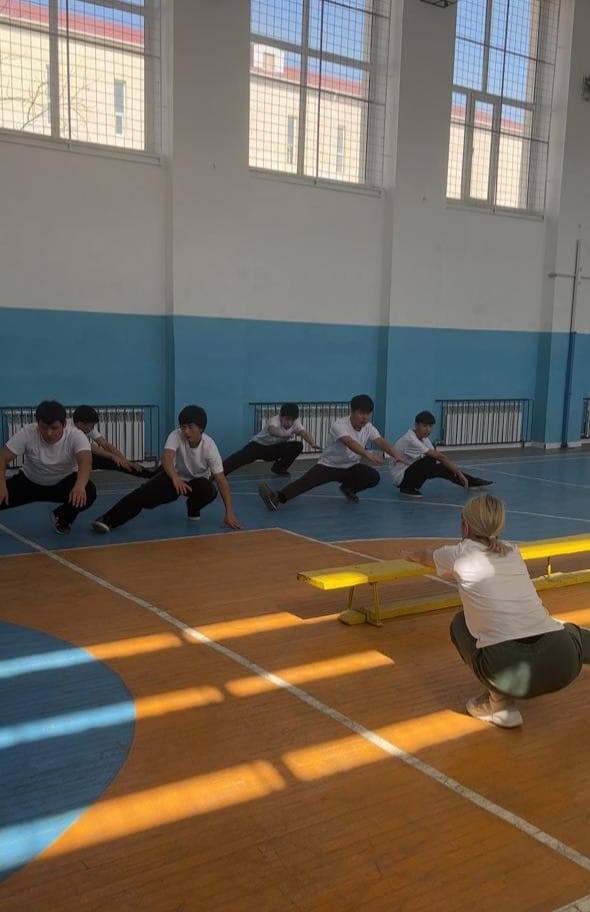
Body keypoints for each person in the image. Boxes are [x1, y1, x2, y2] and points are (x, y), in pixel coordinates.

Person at [405, 494, 590, 728]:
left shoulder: (457, 554)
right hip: (562, 661)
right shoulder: (512, 551)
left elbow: (424, 556)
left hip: (507, 673)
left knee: (461, 623)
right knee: (570, 631)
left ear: (465, 527)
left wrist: (408, 554)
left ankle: (499, 706)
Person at [91, 405, 241, 533]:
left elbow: (221, 481)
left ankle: (193, 507)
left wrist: (229, 513)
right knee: (142, 495)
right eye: (183, 427)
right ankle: (107, 519)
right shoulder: (175, 435)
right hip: (173, 477)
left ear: (201, 429)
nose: (186, 431)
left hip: (197, 483)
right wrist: (175, 479)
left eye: (190, 427)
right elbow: (167, 459)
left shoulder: (210, 447)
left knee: (210, 491)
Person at [258, 394, 407, 511]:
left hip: (350, 467)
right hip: (329, 466)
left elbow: (380, 441)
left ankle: (348, 488)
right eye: (361, 413)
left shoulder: (369, 427)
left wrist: (396, 455)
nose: (365, 417)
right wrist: (367, 454)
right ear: (352, 412)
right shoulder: (339, 425)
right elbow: (349, 442)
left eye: (368, 413)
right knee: (305, 482)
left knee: (373, 477)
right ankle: (276, 497)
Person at [0, 399, 96, 534]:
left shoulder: (75, 436)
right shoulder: (28, 433)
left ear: (64, 424)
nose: (49, 433)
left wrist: (79, 486)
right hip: (29, 482)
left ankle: (62, 518)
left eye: (54, 428)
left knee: (89, 491)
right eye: (44, 428)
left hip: (62, 483)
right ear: (38, 424)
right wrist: (1, 485)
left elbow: (85, 461)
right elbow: (2, 457)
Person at [389, 410, 492, 498]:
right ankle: (407, 488)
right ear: (416, 425)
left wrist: (453, 471)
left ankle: (471, 482)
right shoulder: (410, 438)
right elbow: (439, 456)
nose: (428, 430)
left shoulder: (424, 439)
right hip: (400, 477)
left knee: (441, 467)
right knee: (431, 459)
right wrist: (458, 473)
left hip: (408, 471)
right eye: (424, 426)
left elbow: (439, 459)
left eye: (430, 426)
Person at [223, 402, 321, 477]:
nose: (290, 423)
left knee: (298, 446)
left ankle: (279, 468)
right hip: (258, 447)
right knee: (239, 458)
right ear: (281, 416)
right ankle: (220, 472)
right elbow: (272, 430)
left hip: (274, 449)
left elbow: (304, 433)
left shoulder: (296, 422)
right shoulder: (274, 420)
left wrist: (312, 443)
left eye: (292, 420)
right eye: (287, 419)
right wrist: (284, 434)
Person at [72, 405, 155, 478]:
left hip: (81, 457)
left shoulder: (88, 427)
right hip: (73, 460)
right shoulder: (71, 431)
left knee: (120, 463)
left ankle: (152, 475)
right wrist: (113, 456)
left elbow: (105, 444)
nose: (92, 428)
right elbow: (91, 448)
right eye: (91, 426)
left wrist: (126, 462)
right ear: (80, 424)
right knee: (109, 459)